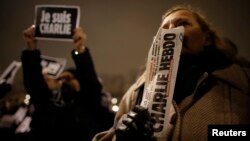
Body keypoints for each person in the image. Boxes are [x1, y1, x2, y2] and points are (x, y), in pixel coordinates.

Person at [92, 4, 250, 141]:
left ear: (206, 38)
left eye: (183, 23)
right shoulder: (137, 92)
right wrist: (121, 138)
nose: (172, 31)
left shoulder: (241, 81)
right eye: (165, 28)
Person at [21, 25, 115, 141]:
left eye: (70, 78)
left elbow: (90, 81)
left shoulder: (89, 104)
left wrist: (80, 51)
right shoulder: (47, 104)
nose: (64, 81)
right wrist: (31, 50)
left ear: (81, 82)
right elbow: (35, 85)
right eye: (62, 79)